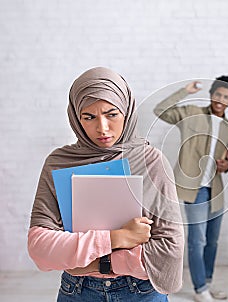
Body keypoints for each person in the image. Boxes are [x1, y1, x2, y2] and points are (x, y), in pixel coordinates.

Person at [28, 67, 184, 302]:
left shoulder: (150, 161)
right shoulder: (59, 163)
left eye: (112, 114)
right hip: (77, 291)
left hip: (140, 291)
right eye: (88, 117)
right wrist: (117, 238)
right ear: (76, 118)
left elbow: (169, 251)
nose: (102, 128)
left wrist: (89, 260)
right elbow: (40, 247)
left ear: (127, 111)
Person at [153, 76, 228, 302]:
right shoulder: (191, 112)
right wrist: (185, 91)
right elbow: (160, 110)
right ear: (212, 94)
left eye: (226, 97)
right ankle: (200, 289)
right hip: (194, 189)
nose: (221, 99)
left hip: (215, 190)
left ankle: (207, 284)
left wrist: (227, 165)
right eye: (218, 94)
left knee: (212, 241)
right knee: (197, 241)